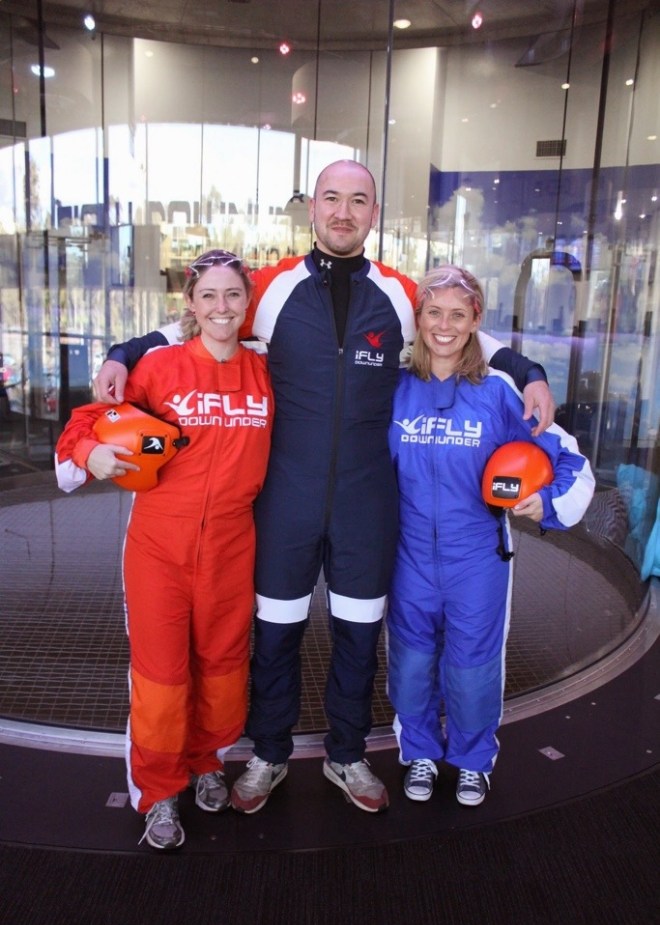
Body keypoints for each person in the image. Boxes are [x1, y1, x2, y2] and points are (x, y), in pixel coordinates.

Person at [92, 160, 556, 815]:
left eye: (357, 200)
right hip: (286, 499)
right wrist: (123, 352)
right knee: (275, 637)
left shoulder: (398, 293)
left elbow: (461, 329)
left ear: (373, 213)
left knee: (358, 639)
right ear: (312, 208)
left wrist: (529, 371)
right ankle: (268, 754)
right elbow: (201, 321)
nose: (343, 211)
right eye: (331, 198)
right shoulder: (273, 287)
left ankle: (347, 754)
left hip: (366, 505)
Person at [55, 251, 273, 848]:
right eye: (209, 295)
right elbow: (83, 425)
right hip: (159, 545)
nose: (222, 307)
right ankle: (158, 792)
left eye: (233, 295)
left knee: (223, 667)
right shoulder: (159, 367)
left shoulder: (266, 372)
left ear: (247, 303)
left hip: (233, 543)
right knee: (161, 676)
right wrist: (90, 454)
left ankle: (207, 762)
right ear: (191, 305)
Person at [386, 265, 595, 807]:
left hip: (477, 558)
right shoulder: (394, 388)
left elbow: (570, 460)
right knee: (411, 664)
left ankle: (473, 759)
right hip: (407, 557)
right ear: (418, 318)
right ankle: (420, 752)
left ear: (477, 320)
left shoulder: (500, 393)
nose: (445, 326)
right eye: (434, 312)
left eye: (458, 314)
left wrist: (547, 502)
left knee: (472, 667)